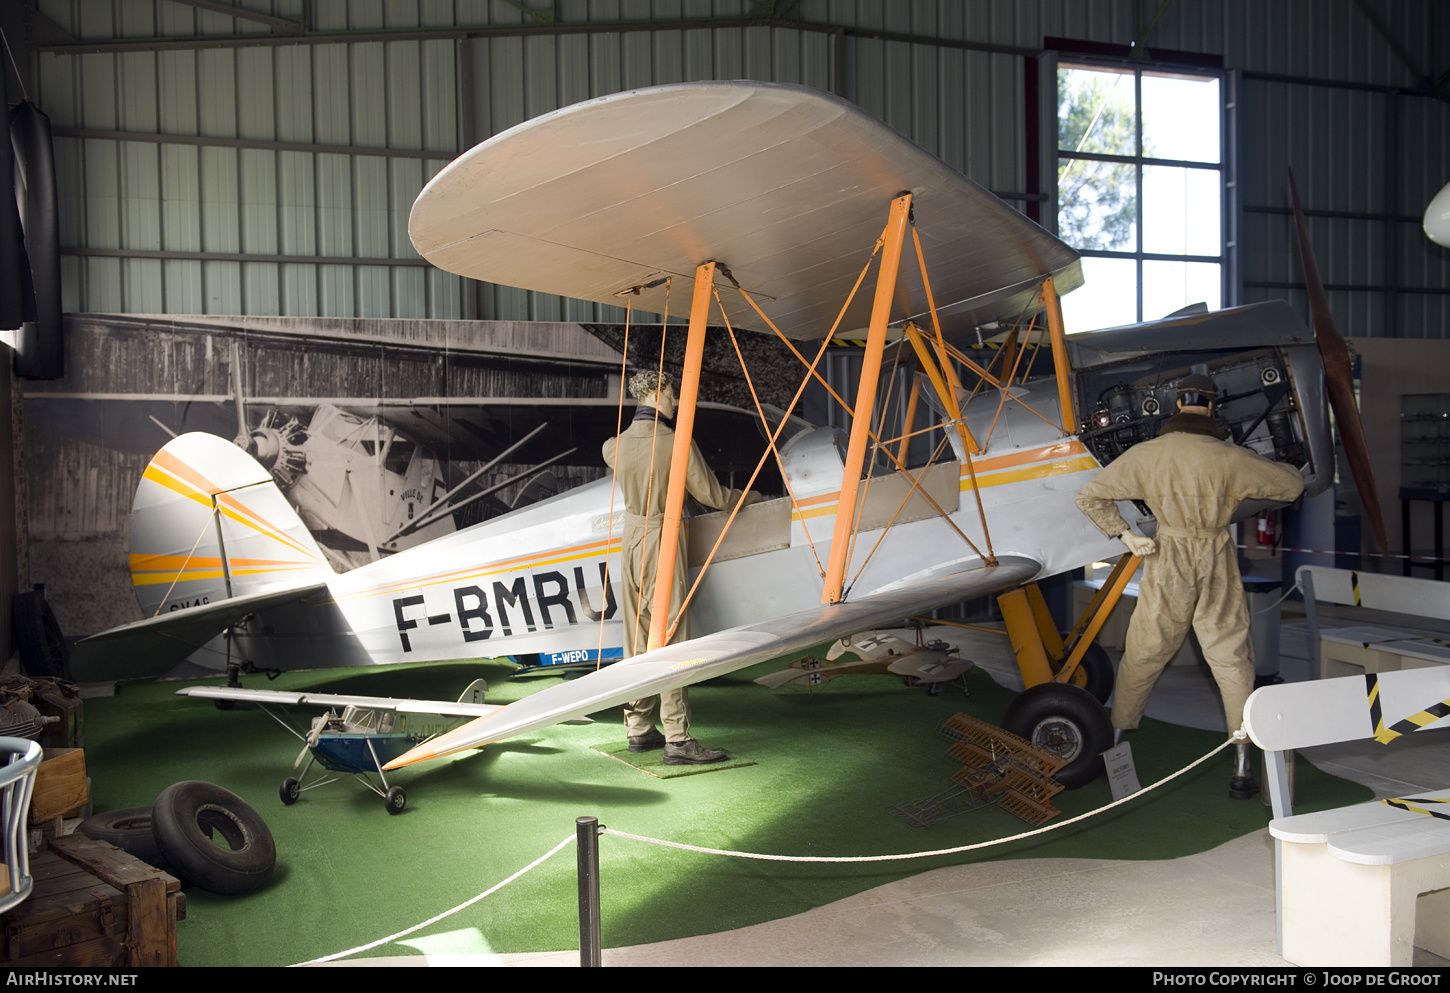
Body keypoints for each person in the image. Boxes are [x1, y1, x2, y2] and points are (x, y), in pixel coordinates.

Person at [1074, 374, 1304, 798]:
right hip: (1216, 555)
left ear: (1177, 404)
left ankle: (1115, 747)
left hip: (1168, 555)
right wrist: (1289, 466)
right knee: (1231, 658)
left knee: (1144, 651)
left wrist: (1126, 536)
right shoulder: (1230, 457)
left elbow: (1090, 495)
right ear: (1213, 407)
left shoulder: (1149, 455)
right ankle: (1241, 767)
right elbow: (1291, 486)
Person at [603, 369, 759, 765]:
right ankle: (677, 737)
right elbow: (711, 495)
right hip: (663, 537)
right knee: (672, 639)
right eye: (671, 393)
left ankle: (638, 727)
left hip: (631, 540)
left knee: (638, 638)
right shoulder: (676, 443)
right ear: (656, 393)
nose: (674, 401)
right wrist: (750, 496)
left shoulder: (613, 447)